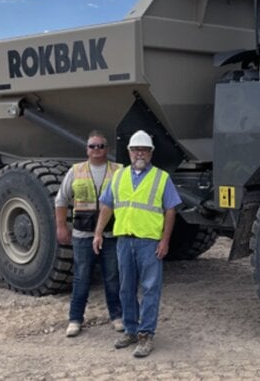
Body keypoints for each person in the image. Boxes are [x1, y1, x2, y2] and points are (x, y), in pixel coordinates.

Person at [93, 130, 181, 358]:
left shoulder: (161, 178)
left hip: (149, 243)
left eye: (144, 150)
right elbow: (106, 206)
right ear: (129, 152)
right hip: (124, 241)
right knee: (126, 288)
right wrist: (98, 233)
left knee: (151, 289)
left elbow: (170, 211)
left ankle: (146, 335)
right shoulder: (119, 177)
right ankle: (131, 330)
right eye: (135, 150)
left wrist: (165, 240)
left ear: (151, 153)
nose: (139, 153)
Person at [55, 130, 123, 338]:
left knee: (112, 277)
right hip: (83, 235)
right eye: (92, 146)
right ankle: (75, 319)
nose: (96, 150)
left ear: (107, 149)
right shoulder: (76, 171)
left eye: (100, 146)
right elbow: (61, 200)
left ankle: (117, 317)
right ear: (87, 149)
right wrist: (61, 226)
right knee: (81, 277)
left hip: (111, 234)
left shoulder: (118, 171)